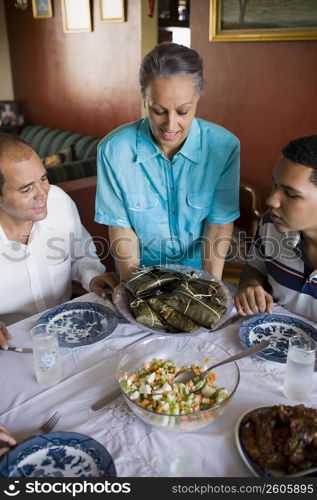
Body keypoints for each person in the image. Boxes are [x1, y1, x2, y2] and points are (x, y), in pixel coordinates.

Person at [95, 42, 240, 282]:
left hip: (198, 272)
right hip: (140, 273)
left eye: (183, 111)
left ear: (197, 99)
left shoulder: (224, 147)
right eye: (158, 110)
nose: (170, 126)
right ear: (144, 98)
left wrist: (210, 286)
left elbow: (217, 226)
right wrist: (137, 290)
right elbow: (122, 228)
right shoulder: (113, 150)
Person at [0, 134, 119, 349]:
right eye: (26, 189)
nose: (43, 193)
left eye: (43, 178)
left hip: (71, 333)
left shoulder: (59, 202)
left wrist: (92, 276)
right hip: (11, 348)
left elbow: (81, 257)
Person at [234, 135, 317, 323]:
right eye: (275, 185)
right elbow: (256, 268)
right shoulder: (271, 223)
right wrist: (251, 285)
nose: (271, 200)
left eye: (290, 193)